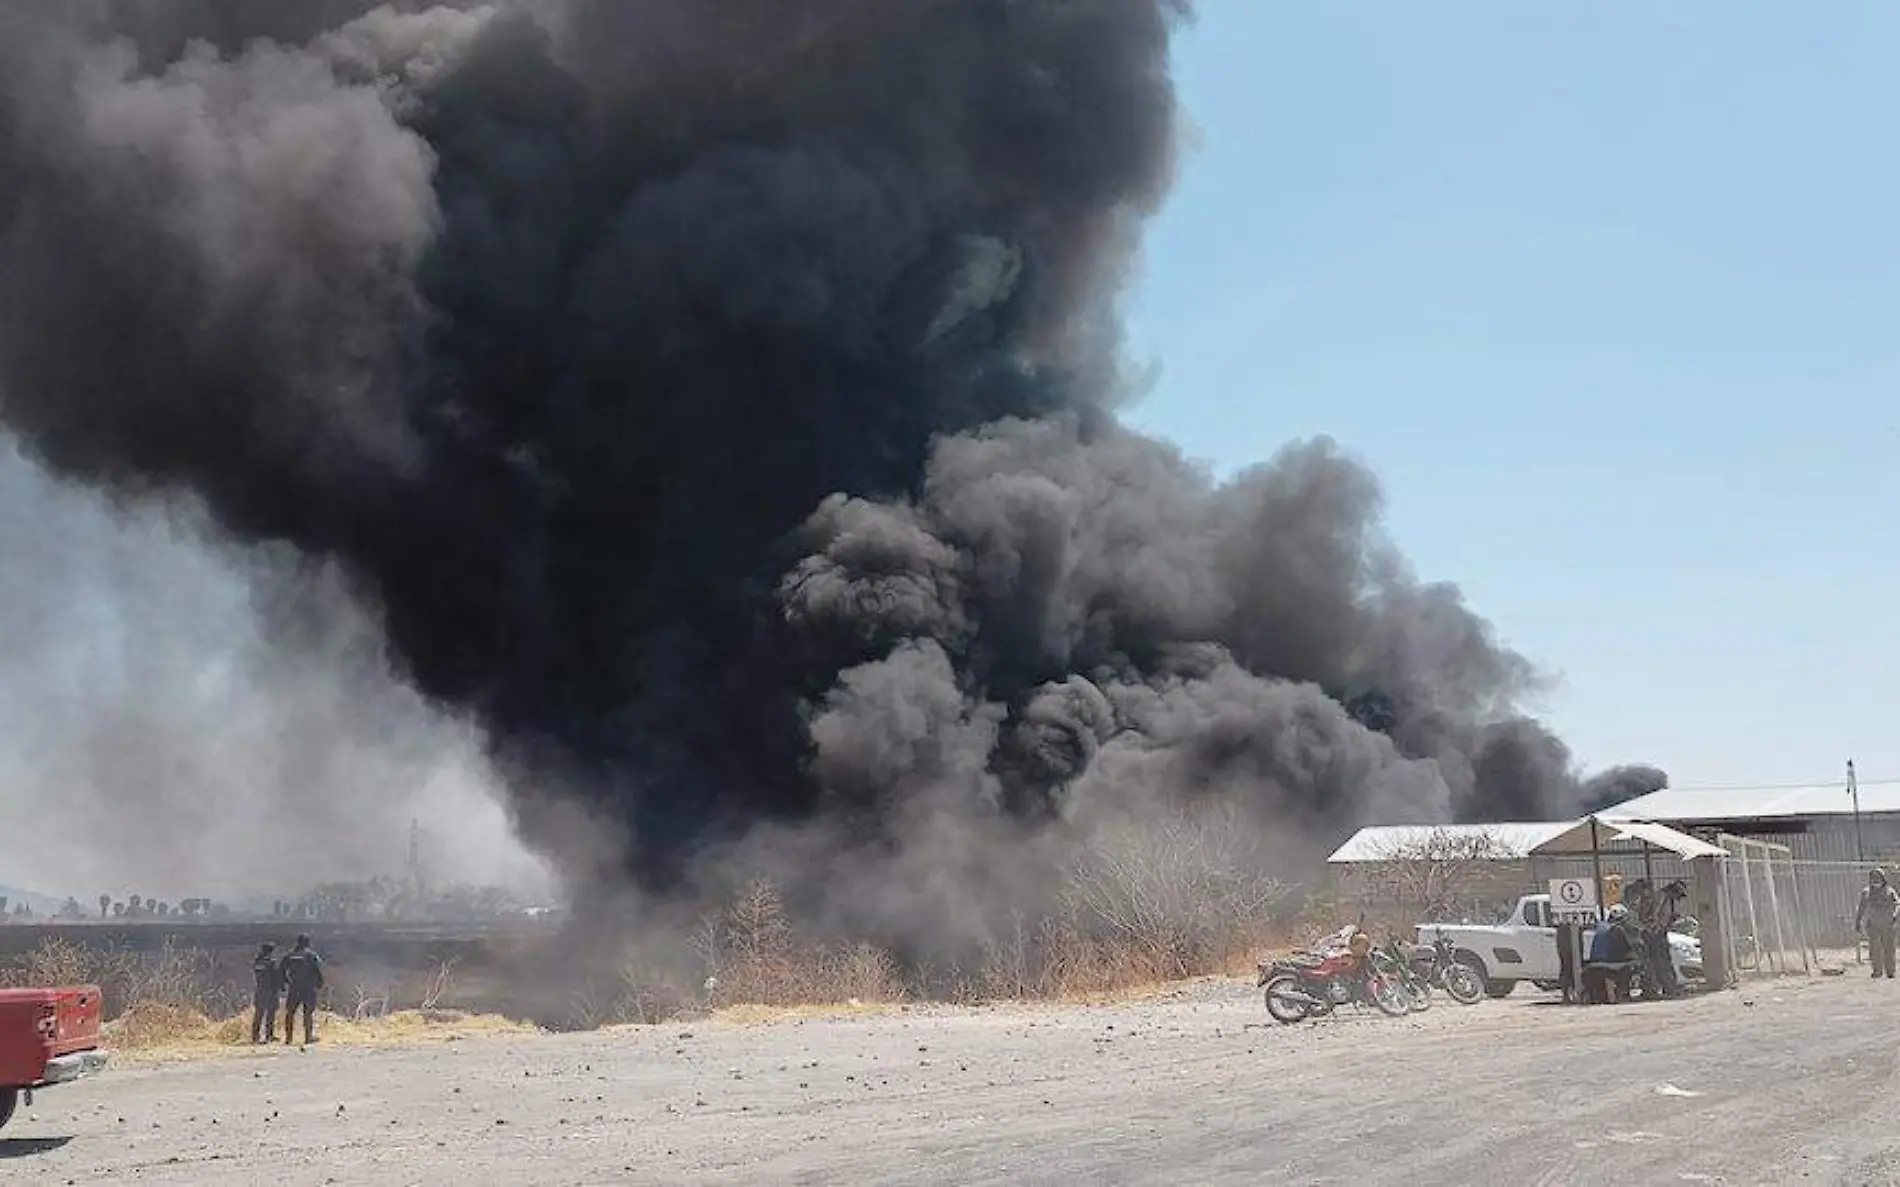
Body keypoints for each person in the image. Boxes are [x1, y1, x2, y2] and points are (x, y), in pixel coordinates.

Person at [1585, 904, 1637, 1003]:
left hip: (1594, 963)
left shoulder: (1600, 926)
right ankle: (1623, 993)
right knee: (1632, 966)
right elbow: (1626, 948)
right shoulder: (1618, 929)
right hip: (1610, 964)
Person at [280, 934, 325, 1044]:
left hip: (294, 987)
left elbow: (281, 969)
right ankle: (308, 1037)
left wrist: (286, 981)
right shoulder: (311, 955)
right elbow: (317, 969)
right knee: (308, 1013)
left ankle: (288, 1038)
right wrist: (320, 982)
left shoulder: (290, 955)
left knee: (290, 1012)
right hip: (308, 988)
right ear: (307, 943)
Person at [1856, 869, 1900, 979]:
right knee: (1874, 949)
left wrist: (1895, 915)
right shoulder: (1866, 892)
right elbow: (1861, 908)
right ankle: (1877, 971)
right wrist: (1858, 921)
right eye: (1873, 877)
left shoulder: (1890, 891)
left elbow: (1898, 904)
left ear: (1883, 879)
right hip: (1873, 925)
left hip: (1888, 924)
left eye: (1878, 877)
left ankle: (1890, 971)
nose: (1876, 880)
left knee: (1889, 949)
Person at [249, 942, 283, 1045]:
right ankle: (269, 1035)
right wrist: (281, 986)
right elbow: (276, 976)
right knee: (270, 1014)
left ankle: (255, 1036)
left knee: (258, 1014)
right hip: (271, 990)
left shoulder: (257, 962)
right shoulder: (272, 962)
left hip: (260, 989)